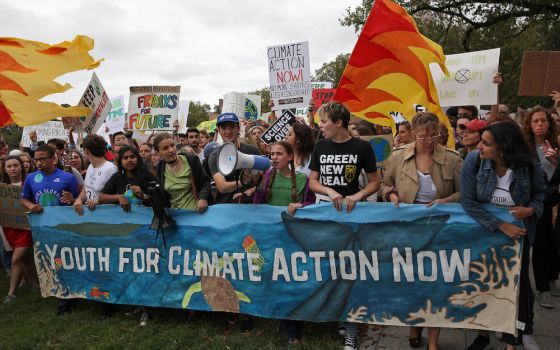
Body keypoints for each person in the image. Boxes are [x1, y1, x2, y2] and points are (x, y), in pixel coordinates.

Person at [381, 113, 462, 350]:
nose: (429, 140)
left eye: (433, 135)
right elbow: (384, 184)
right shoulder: (398, 157)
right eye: (424, 136)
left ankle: (434, 342)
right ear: (414, 134)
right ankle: (415, 325)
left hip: (440, 230)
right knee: (413, 282)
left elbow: (466, 193)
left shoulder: (452, 159)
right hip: (408, 231)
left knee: (436, 284)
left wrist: (447, 200)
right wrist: (391, 194)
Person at [461, 122, 545, 350]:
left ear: (503, 148)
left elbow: (540, 194)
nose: (479, 146)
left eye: (486, 143)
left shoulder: (528, 165)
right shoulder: (474, 161)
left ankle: (517, 333)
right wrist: (500, 225)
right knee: (483, 282)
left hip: (519, 236)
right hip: (485, 234)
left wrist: (531, 210)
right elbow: (468, 201)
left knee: (518, 286)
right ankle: (483, 333)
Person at [308, 101, 380, 350]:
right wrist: (329, 191)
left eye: (324, 121)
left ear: (339, 122)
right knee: (330, 270)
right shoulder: (320, 146)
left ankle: (351, 329)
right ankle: (338, 316)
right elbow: (312, 183)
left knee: (350, 272)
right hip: (325, 217)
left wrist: (356, 196)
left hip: (352, 218)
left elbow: (374, 182)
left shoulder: (363, 147)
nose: (321, 127)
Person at [252, 141, 315, 345]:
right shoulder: (267, 176)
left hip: (293, 237)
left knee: (292, 279)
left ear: (290, 157)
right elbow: (257, 204)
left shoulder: (302, 179)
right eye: (272, 154)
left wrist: (300, 204)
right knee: (275, 277)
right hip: (272, 237)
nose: (275, 157)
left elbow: (313, 205)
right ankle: (283, 316)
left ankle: (294, 328)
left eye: (279, 154)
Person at [20, 144, 80, 315]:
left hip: (65, 228)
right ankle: (62, 299)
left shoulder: (67, 178)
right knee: (52, 263)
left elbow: (78, 200)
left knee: (67, 261)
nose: (38, 162)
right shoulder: (31, 178)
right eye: (35, 159)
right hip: (43, 230)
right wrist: (32, 206)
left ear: (53, 158)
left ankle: (71, 296)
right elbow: (24, 199)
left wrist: (72, 199)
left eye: (42, 159)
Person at [521, 106, 560, 310]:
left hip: (556, 197)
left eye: (543, 121)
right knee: (542, 244)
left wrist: (557, 160)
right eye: (535, 121)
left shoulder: (556, 144)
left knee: (554, 244)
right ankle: (543, 287)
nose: (540, 125)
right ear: (529, 124)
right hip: (539, 201)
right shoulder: (525, 149)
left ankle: (553, 278)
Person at [1, 156, 36, 303]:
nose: (13, 169)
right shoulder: (3, 187)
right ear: (4, 169)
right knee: (25, 258)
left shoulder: (30, 183)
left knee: (16, 259)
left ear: (22, 166)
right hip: (9, 227)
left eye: (15, 165)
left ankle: (11, 293)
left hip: (26, 227)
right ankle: (36, 283)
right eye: (9, 166)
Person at [207, 113, 261, 204]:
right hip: (226, 207)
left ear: (238, 128)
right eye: (224, 128)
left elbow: (260, 181)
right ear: (218, 130)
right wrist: (242, 182)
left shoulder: (252, 150)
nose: (228, 132)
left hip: (250, 205)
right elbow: (222, 187)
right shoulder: (214, 156)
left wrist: (253, 186)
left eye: (232, 127)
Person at [153, 132, 210, 212]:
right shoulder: (160, 167)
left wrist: (203, 198)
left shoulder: (191, 160)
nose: (171, 150)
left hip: (197, 215)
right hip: (175, 217)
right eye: (165, 148)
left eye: (172, 145)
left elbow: (206, 182)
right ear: (158, 152)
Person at [99, 145, 156, 212]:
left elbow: (159, 201)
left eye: (132, 157)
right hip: (124, 219)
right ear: (121, 162)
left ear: (138, 159)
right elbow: (101, 198)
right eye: (125, 158)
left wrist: (143, 196)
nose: (129, 160)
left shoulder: (148, 176)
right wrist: (118, 197)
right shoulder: (117, 177)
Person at [73, 135, 118, 215]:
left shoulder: (111, 169)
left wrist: (98, 201)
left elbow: (118, 195)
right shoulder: (90, 166)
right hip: (91, 216)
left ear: (87, 151)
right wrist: (79, 199)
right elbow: (86, 189)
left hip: (107, 217)